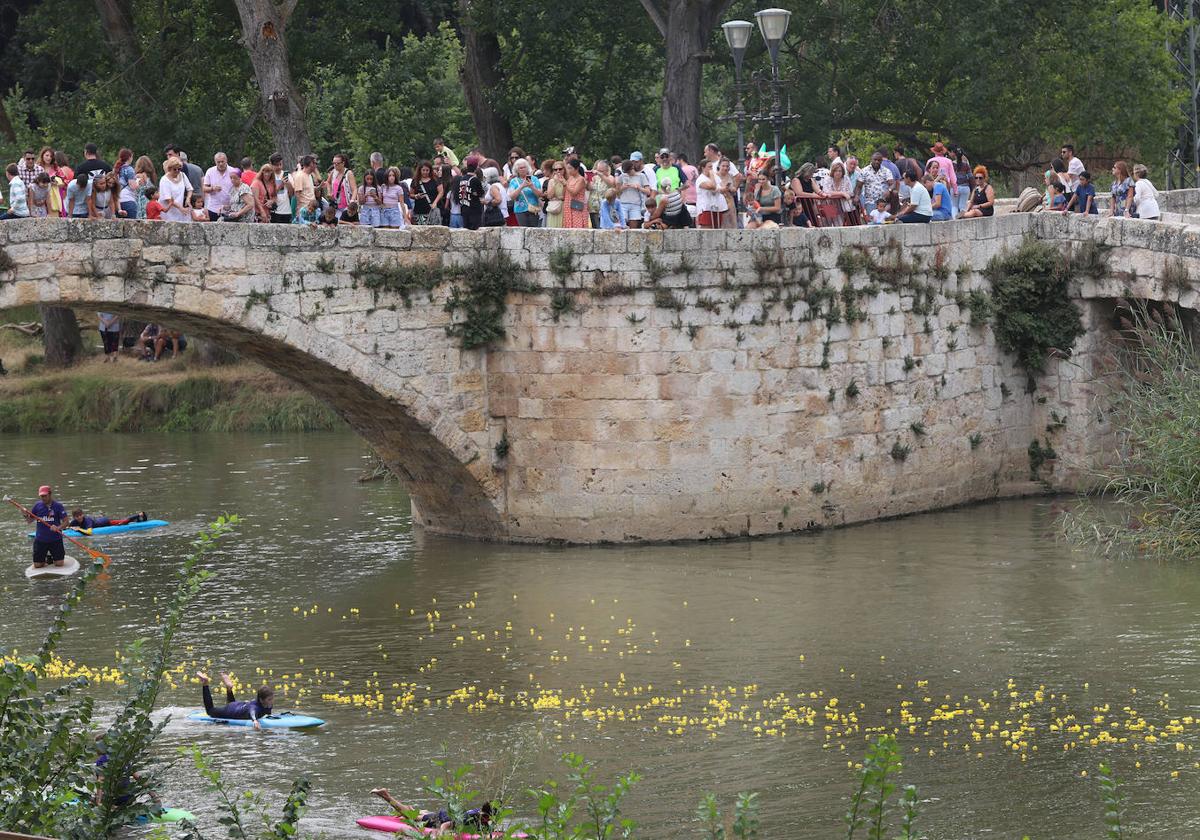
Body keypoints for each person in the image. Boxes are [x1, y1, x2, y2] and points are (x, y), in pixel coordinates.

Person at [370, 788, 493, 833]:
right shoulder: (470, 818)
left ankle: (415, 810)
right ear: (487, 816)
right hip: (439, 820)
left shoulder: (481, 813)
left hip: (445, 814)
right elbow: (445, 825)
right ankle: (385, 795)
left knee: (420, 813)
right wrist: (439, 835)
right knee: (410, 816)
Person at [196, 672, 273, 730]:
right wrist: (255, 721)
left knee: (231, 704)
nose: (271, 701)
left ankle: (229, 688)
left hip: (237, 705)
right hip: (231, 710)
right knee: (210, 711)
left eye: (272, 698)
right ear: (261, 699)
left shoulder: (265, 704)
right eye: (269, 699)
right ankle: (205, 683)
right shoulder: (254, 707)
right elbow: (252, 712)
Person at [26, 485, 67, 569]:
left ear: (50, 494)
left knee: (59, 564)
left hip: (55, 539)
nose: (43, 498)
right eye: (41, 496)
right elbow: (29, 521)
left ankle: (51, 558)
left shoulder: (58, 506)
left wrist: (58, 528)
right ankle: (46, 559)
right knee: (38, 565)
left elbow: (66, 522)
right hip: (41, 540)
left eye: (45, 496)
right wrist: (25, 515)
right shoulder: (37, 506)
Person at [507, 158, 542, 227]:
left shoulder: (534, 179)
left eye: (524, 167)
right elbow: (512, 197)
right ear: (517, 170)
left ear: (527, 168)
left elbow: (540, 195)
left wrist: (532, 186)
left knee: (533, 230)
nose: (523, 169)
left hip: (533, 209)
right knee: (523, 229)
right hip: (520, 210)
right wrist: (521, 186)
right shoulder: (514, 181)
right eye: (520, 168)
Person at [695, 159, 727, 229]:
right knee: (707, 228)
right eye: (709, 167)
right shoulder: (701, 179)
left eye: (712, 167)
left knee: (717, 228)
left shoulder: (715, 177)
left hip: (716, 207)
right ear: (703, 168)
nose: (711, 169)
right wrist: (712, 175)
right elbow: (712, 186)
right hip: (706, 208)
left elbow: (721, 187)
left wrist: (724, 188)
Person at [159, 157, 192, 222]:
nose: (177, 171)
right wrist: (181, 208)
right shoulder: (164, 180)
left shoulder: (182, 175)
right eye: (174, 169)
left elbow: (190, 189)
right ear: (169, 168)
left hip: (180, 210)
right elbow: (168, 199)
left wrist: (188, 198)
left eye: (179, 169)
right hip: (168, 211)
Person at [326, 153, 356, 219]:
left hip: (346, 204)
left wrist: (352, 201)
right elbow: (328, 182)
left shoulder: (349, 173)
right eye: (334, 163)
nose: (335, 165)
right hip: (335, 204)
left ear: (343, 163)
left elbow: (354, 189)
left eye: (337, 163)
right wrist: (329, 192)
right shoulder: (333, 172)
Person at [561, 160, 589, 229]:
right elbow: (564, 194)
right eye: (568, 168)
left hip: (577, 207)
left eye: (570, 168)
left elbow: (574, 192)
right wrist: (564, 185)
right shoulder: (570, 178)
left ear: (576, 169)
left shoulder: (581, 179)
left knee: (577, 227)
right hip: (568, 205)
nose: (568, 170)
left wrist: (565, 184)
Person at [69, 509, 148, 531]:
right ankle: (136, 519)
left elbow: (89, 532)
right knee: (124, 522)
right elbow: (68, 527)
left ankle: (140, 514)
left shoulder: (87, 520)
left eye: (80, 515)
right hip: (99, 520)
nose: (79, 517)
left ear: (82, 514)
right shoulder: (74, 521)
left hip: (106, 522)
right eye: (76, 516)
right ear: (74, 517)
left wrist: (78, 529)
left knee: (124, 522)